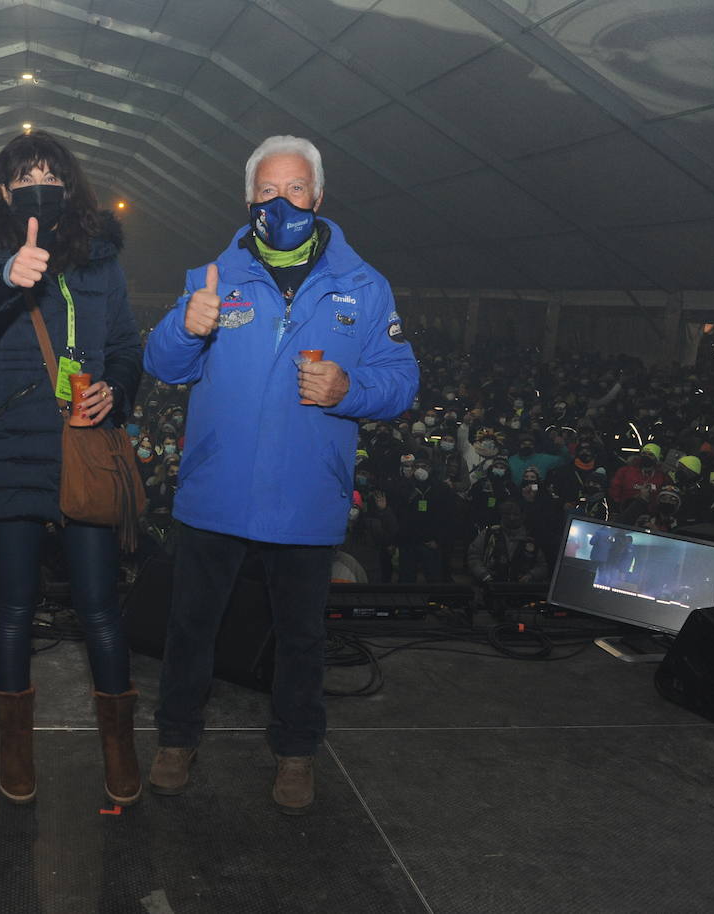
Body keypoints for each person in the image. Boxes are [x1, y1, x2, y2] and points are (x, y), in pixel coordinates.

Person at [142, 135, 419, 813]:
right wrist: (187, 324)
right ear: (249, 199)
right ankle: (176, 741)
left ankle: (296, 754)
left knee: (301, 639)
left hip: (305, 499)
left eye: (296, 190)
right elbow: (163, 363)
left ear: (319, 197)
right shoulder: (212, 277)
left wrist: (346, 389)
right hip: (216, 494)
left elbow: (402, 381)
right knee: (190, 630)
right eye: (268, 190)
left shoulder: (363, 286)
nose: (282, 202)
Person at [0, 131, 143, 806]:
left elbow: (125, 346)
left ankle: (119, 751)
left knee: (99, 608)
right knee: (13, 608)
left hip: (80, 448)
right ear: (4, 190)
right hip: (10, 451)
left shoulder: (101, 259)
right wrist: (8, 277)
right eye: (24, 174)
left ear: (69, 186)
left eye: (50, 173)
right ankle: (15, 752)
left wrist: (114, 390)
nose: (38, 182)